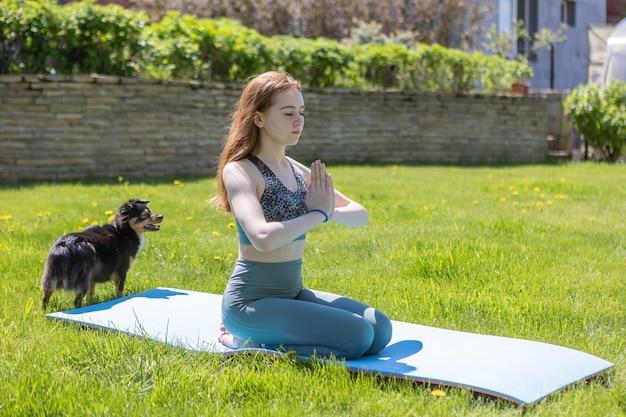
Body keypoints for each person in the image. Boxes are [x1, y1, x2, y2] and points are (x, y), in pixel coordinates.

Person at [213, 71, 392, 360]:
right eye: (287, 113)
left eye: (301, 112)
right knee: (357, 337)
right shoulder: (240, 171)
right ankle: (243, 340)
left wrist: (326, 211)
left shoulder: (295, 169)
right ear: (258, 118)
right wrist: (319, 213)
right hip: (250, 302)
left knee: (379, 328)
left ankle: (266, 335)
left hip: (292, 293)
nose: (298, 121)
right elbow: (263, 238)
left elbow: (359, 214)